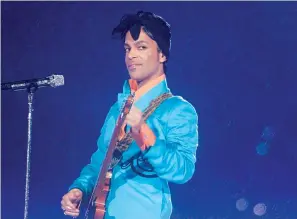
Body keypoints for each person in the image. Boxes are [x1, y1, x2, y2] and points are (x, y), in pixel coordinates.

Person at [61, 11, 199, 219]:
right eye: (127, 49)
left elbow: (183, 170)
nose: (131, 55)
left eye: (141, 47)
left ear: (162, 54)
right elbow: (99, 162)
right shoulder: (118, 108)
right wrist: (80, 189)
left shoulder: (177, 109)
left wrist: (145, 135)